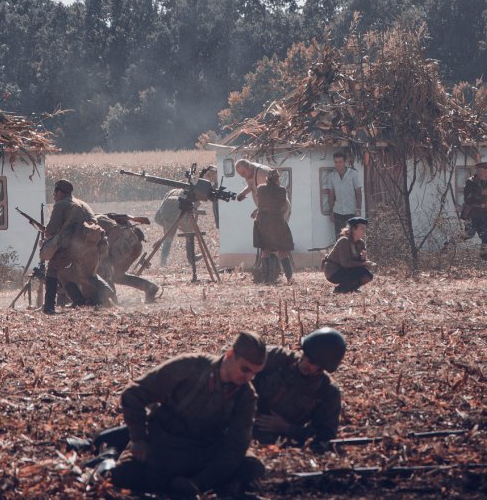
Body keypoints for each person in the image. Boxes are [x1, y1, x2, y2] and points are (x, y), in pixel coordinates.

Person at [108, 331, 268, 496]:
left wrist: (199, 483)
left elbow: (236, 445)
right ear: (230, 354)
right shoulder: (189, 367)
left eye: (254, 373)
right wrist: (138, 438)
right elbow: (134, 394)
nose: (248, 377)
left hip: (205, 452)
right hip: (165, 445)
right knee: (123, 475)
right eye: (245, 369)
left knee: (252, 467)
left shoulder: (247, 396)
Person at [252, 328, 345, 450]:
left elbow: (325, 435)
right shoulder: (277, 358)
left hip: (275, 442)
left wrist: (287, 428)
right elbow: (239, 359)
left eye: (311, 362)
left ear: (323, 368)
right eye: (305, 355)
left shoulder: (327, 391)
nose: (305, 363)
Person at [40, 179, 113, 314]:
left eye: (55, 192)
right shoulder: (83, 204)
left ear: (60, 192)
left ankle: (49, 307)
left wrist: (47, 235)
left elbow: (50, 230)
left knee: (53, 270)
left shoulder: (61, 205)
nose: (53, 195)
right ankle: (102, 290)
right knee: (86, 275)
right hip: (92, 245)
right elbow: (93, 222)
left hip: (72, 246)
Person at [155, 165, 217, 269]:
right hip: (172, 214)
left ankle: (186, 258)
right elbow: (191, 208)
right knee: (176, 235)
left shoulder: (175, 191)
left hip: (166, 214)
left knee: (173, 235)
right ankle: (167, 261)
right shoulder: (195, 191)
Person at [254, 169, 295, 283]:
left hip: (263, 223)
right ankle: (289, 278)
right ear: (278, 179)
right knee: (282, 251)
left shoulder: (260, 188)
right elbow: (283, 204)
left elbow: (259, 202)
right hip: (277, 222)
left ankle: (266, 279)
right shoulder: (282, 190)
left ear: (267, 178)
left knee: (265, 251)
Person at [461, 161, 487, 260]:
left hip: (484, 214)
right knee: (468, 234)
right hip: (473, 213)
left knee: (486, 233)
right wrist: (481, 193)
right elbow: (467, 199)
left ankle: (484, 256)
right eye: (485, 173)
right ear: (479, 171)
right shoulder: (470, 182)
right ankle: (448, 244)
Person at [322, 217, 375, 292]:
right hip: (333, 271)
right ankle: (339, 289)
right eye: (362, 228)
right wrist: (363, 263)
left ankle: (351, 288)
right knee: (360, 270)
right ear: (353, 229)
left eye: (364, 229)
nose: (364, 231)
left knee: (368, 275)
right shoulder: (344, 241)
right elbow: (345, 263)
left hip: (346, 269)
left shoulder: (361, 243)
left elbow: (360, 262)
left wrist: (364, 260)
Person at [321, 151, 363, 238]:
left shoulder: (353, 174)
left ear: (345, 162)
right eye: (336, 162)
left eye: (340, 162)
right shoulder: (332, 175)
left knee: (352, 237)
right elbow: (331, 194)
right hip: (337, 212)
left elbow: (358, 192)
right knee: (339, 238)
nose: (338, 164)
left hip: (351, 211)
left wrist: (358, 209)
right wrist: (331, 211)